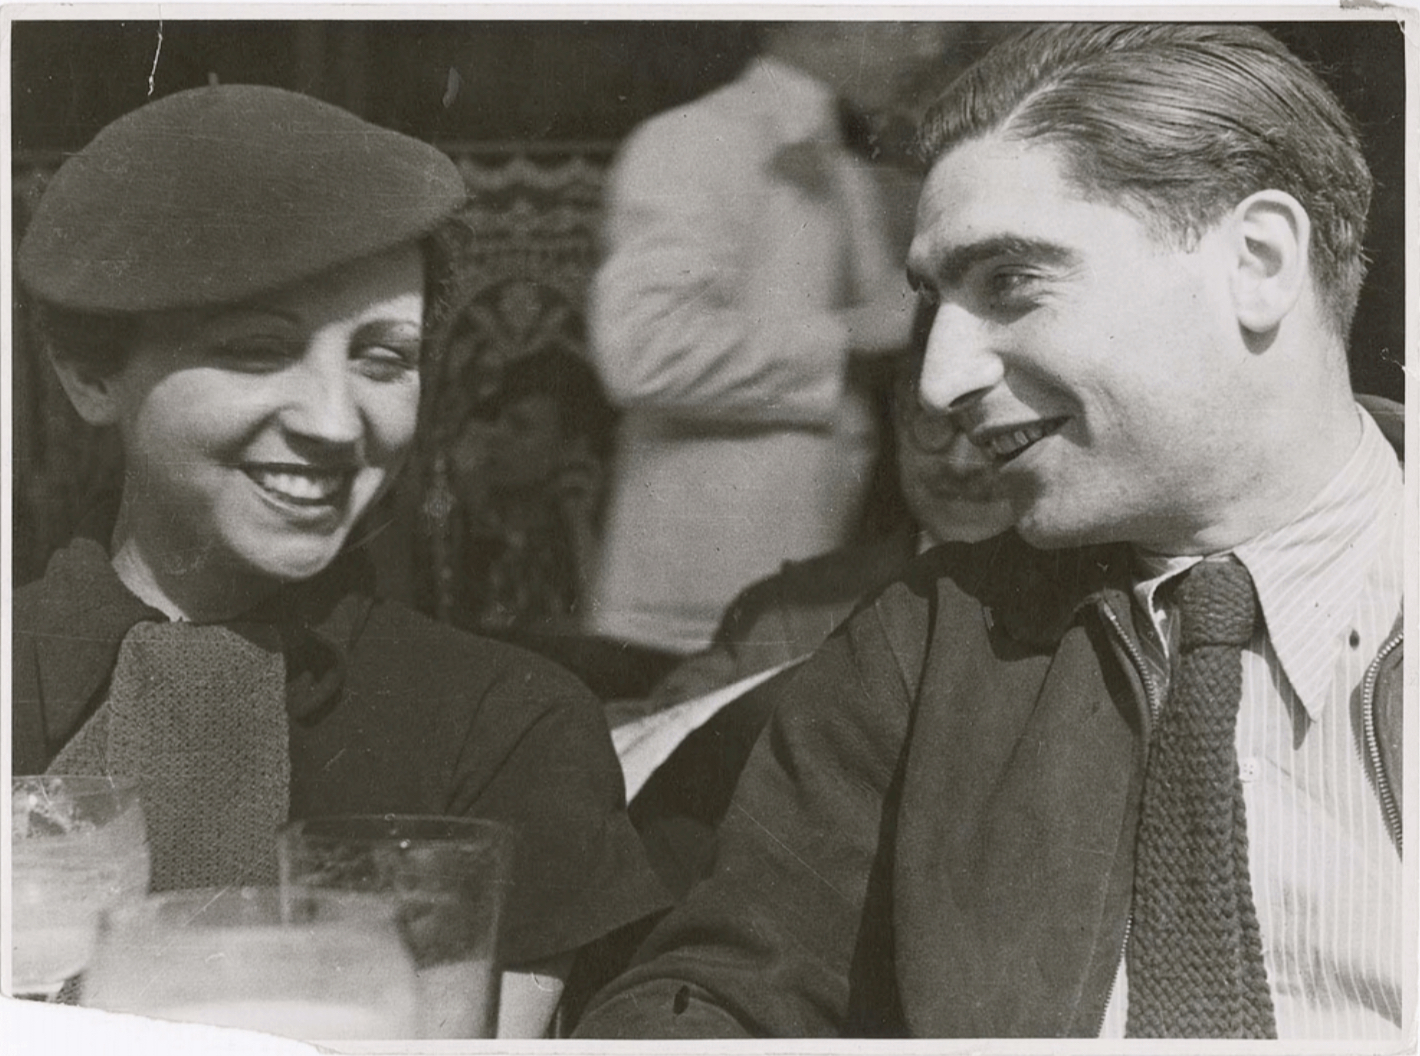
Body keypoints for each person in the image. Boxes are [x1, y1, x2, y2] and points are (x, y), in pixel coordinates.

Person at [574, 23, 1405, 1039]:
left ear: (1258, 261)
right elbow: (726, 996)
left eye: (1009, 283)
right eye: (935, 304)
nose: (938, 380)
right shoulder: (918, 646)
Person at [10, 84, 668, 1039]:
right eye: (257, 350)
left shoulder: (507, 727)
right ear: (89, 373)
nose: (333, 421)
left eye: (383, 358)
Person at [587, 22, 953, 656]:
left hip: (816, 589)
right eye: (910, 18)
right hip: (699, 607)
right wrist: (854, 336)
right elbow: (641, 351)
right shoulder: (693, 139)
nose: (929, 44)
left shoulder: (845, 162)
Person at [619, 352, 1013, 718]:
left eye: (997, 430)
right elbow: (653, 742)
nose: (961, 463)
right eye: (935, 421)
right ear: (898, 414)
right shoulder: (785, 615)